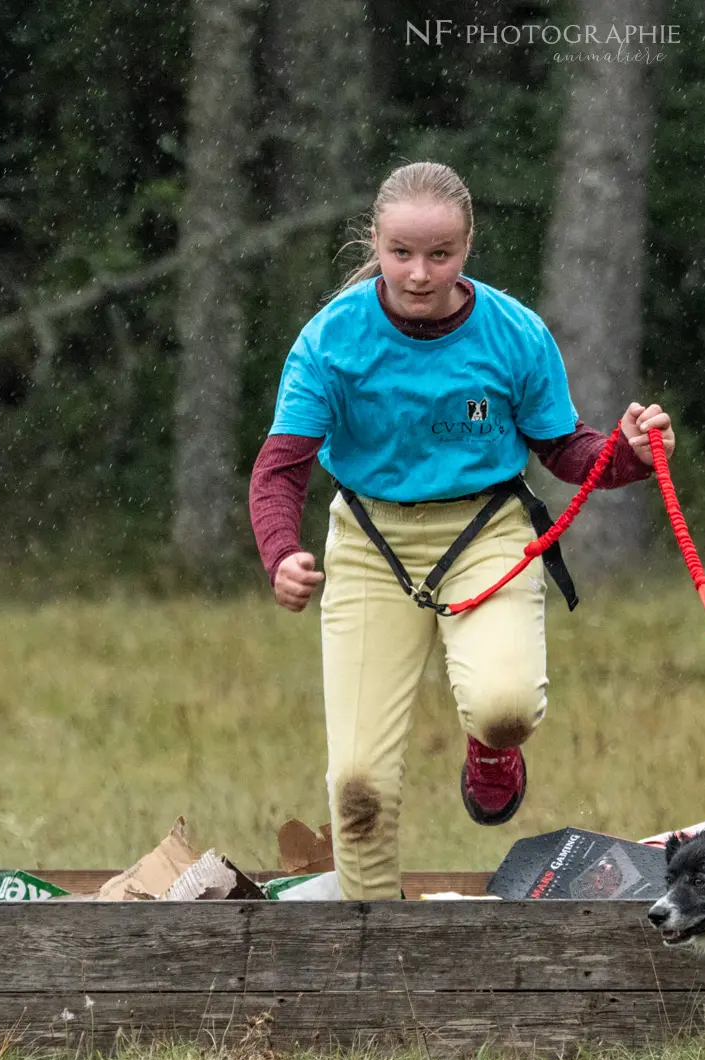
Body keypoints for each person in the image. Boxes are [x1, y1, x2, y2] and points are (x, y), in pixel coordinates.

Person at [248, 160, 676, 901]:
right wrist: (281, 551)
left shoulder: (514, 334)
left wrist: (628, 456)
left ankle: (493, 752)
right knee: (357, 786)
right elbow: (280, 468)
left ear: (468, 248)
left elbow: (564, 449)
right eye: (401, 253)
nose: (419, 273)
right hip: (372, 545)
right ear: (374, 243)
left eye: (440, 255)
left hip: (485, 533)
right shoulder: (331, 341)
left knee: (504, 706)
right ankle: (374, 953)